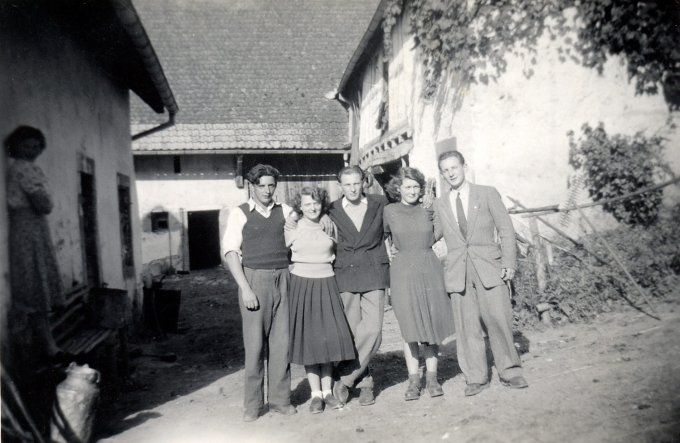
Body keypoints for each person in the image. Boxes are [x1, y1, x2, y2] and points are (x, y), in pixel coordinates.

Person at [433, 142, 528, 397]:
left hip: (489, 268)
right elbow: (430, 235)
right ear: (441, 174)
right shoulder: (440, 203)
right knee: (466, 328)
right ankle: (476, 377)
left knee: (499, 319)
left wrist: (508, 262)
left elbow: (506, 230)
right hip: (458, 273)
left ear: (465, 167)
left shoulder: (486, 193)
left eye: (454, 167)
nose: (451, 173)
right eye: (445, 170)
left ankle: (510, 371)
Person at [222, 164, 297, 422]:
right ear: (251, 186)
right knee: (254, 346)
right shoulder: (240, 214)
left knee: (282, 343)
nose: (267, 190)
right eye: (262, 185)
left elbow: (296, 242)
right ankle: (252, 406)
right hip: (254, 280)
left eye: (271, 185)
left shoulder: (286, 211)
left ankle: (280, 400)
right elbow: (231, 253)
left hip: (284, 278)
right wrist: (245, 289)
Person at [5, 125, 66, 436]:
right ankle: (40, 347)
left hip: (32, 229)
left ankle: (46, 344)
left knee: (37, 288)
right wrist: (44, 198)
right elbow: (44, 203)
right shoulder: (23, 169)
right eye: (26, 146)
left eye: (35, 146)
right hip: (28, 230)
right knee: (33, 286)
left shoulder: (23, 167)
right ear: (15, 146)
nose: (31, 151)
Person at [383, 167, 455, 401]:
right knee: (409, 327)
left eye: (416, 186)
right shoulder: (390, 211)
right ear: (398, 189)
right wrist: (390, 254)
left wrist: (432, 208)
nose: (412, 191)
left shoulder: (429, 208)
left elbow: (439, 233)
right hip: (402, 270)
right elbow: (383, 237)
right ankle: (414, 381)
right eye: (408, 187)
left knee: (431, 326)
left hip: (428, 266)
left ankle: (433, 379)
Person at [285, 186, 355, 413]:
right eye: (307, 204)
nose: (312, 207)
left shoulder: (329, 224)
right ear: (300, 207)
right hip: (301, 285)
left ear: (321, 204)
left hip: (327, 282)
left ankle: (327, 392)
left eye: (315, 203)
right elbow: (282, 254)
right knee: (310, 341)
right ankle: (315, 395)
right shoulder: (292, 226)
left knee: (328, 340)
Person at [329, 166, 390, 406]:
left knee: (373, 331)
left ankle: (344, 378)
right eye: (347, 184)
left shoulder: (380, 202)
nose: (353, 189)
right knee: (353, 333)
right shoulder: (331, 209)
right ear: (340, 186)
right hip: (346, 273)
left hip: (374, 270)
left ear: (364, 182)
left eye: (357, 183)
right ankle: (365, 383)